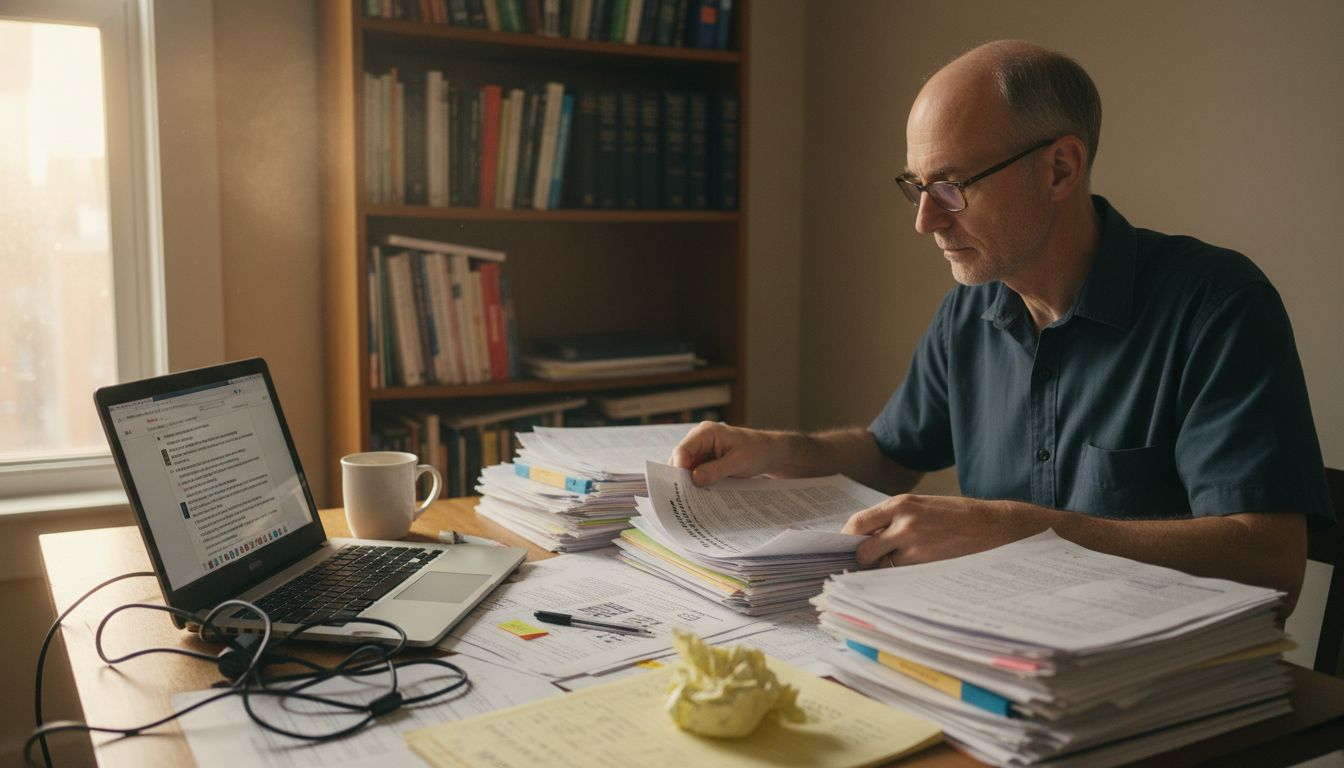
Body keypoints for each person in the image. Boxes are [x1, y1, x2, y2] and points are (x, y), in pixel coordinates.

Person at [671, 40, 1334, 616]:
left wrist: (1015, 529)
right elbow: (888, 451)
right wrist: (770, 450)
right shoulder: (973, 307)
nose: (926, 221)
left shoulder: (1215, 305)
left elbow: (1269, 564)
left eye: (953, 185)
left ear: (1060, 169)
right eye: (917, 185)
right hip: (999, 662)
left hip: (1158, 706)